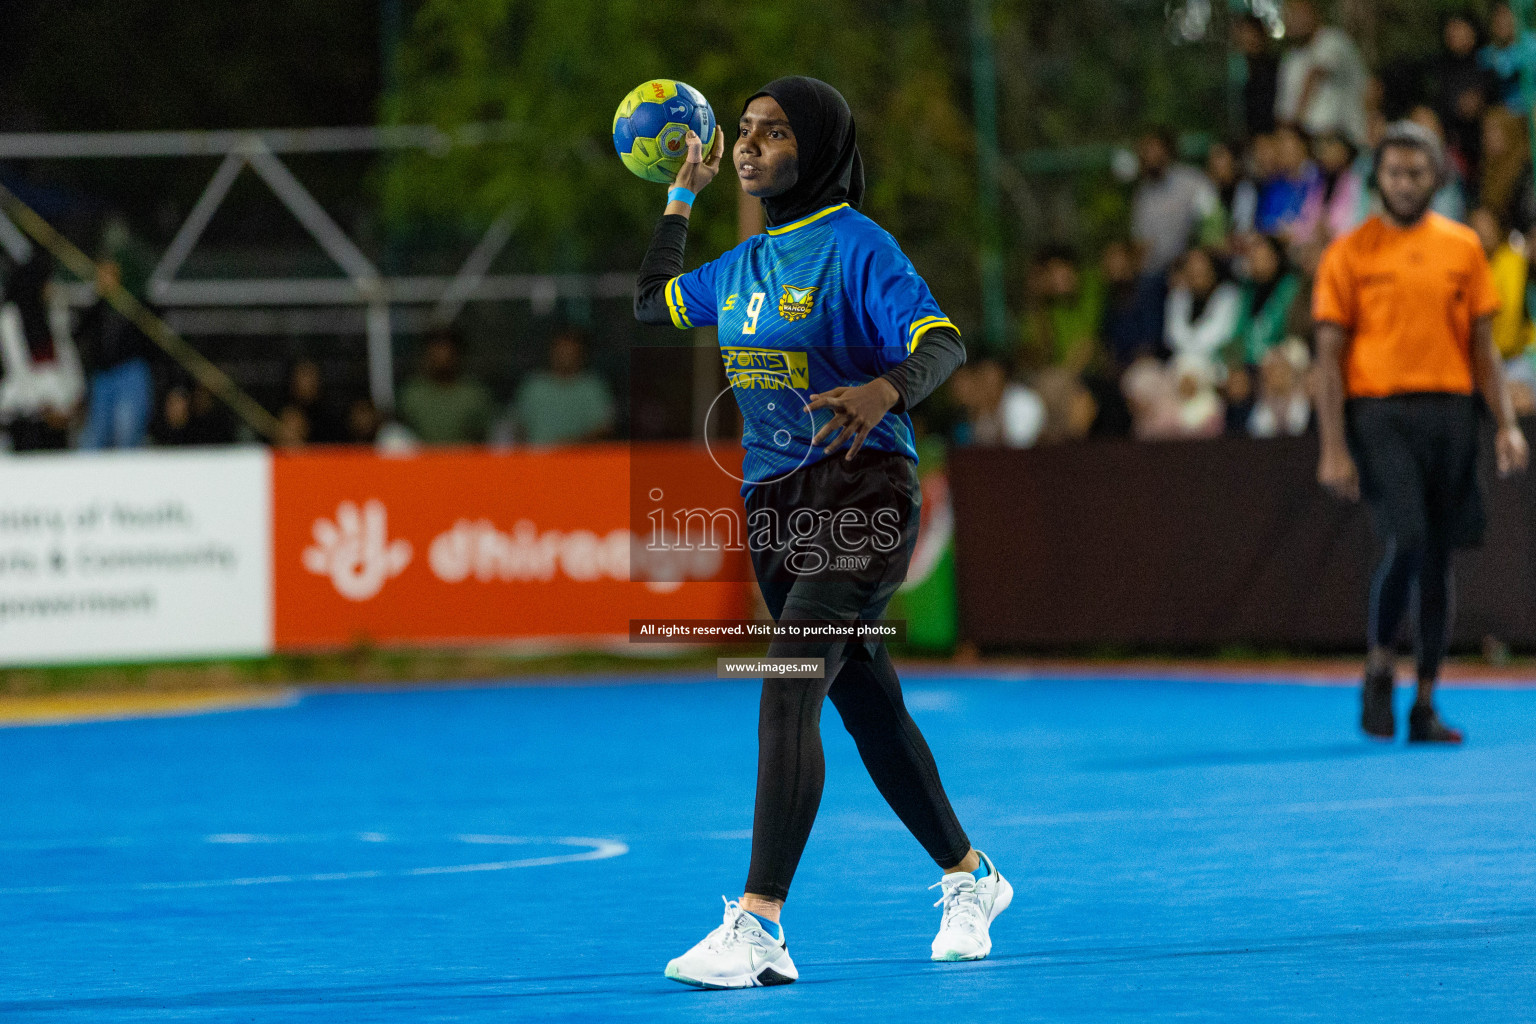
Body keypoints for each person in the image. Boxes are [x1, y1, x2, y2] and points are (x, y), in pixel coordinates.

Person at [633, 76, 1005, 988]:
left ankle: (759, 926)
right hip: (775, 506)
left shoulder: (857, 247)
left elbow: (942, 339)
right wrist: (684, 188)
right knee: (867, 704)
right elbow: (652, 301)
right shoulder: (745, 263)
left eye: (774, 133)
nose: (753, 146)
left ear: (820, 151)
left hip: (864, 491)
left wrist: (886, 388)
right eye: (746, 132)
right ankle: (971, 877)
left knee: (788, 681)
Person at [1313, 121, 1529, 744]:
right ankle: (1381, 662)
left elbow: (1484, 347)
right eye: (1393, 172)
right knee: (1406, 536)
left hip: (1452, 413)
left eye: (1416, 172)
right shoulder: (1349, 253)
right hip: (1380, 412)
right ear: (1376, 179)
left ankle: (1425, 701)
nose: (1405, 183)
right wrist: (1332, 446)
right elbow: (1328, 355)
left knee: (1438, 559)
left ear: (1436, 177)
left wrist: (1506, 426)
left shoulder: (1462, 248)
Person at [0, 252, 82, 451]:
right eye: (47, 282)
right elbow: (17, 369)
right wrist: (44, 409)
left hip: (59, 411)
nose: (50, 288)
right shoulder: (10, 319)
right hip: (26, 414)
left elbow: (67, 356)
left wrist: (74, 397)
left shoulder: (52, 315)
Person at [76, 256, 155, 449]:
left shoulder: (137, 304)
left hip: (129, 373)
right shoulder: (98, 309)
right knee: (95, 437)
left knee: (127, 432)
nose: (104, 279)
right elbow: (80, 333)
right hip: (103, 376)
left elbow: (152, 342)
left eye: (110, 274)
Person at [1275, 0, 1369, 146]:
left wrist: (1295, 125)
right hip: (1306, 142)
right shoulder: (1291, 58)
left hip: (1341, 138)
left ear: (1313, 13)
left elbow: (1315, 75)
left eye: (1298, 13)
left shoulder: (1333, 40)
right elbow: (1284, 107)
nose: (1294, 20)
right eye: (1289, 15)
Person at [1130, 127, 1222, 277]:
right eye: (1145, 151)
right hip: (1155, 272)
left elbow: (1212, 224)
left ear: (1167, 150)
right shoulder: (1143, 195)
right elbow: (1141, 243)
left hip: (1192, 263)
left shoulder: (1192, 181)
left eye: (1154, 149)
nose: (1150, 156)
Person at [506, 328, 614, 444]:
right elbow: (516, 426)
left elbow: (604, 429)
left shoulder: (592, 387)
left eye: (570, 352)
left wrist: (568, 447)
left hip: (580, 458)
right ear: (551, 352)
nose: (565, 356)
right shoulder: (534, 385)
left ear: (581, 354)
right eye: (561, 350)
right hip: (536, 458)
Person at [396, 325, 495, 444]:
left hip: (465, 459)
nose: (442, 356)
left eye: (447, 349)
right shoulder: (411, 394)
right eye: (436, 349)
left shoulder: (475, 394)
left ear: (458, 354)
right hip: (422, 460)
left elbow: (487, 438)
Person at [1469, 207, 1534, 371]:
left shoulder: (1515, 260)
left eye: (1487, 227)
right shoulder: (1466, 268)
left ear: (1498, 229)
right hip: (1481, 359)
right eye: (1476, 227)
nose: (1482, 233)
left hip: (1518, 356)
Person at [1164, 246, 1241, 377]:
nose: (1196, 273)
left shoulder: (1228, 295)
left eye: (1201, 269)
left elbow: (1218, 337)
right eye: (1191, 269)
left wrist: (1192, 361)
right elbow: (1172, 337)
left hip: (1215, 367)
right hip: (1179, 367)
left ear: (1212, 269)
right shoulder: (1178, 296)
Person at [1481, 2, 1536, 113]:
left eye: (1505, 15)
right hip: (1505, 116)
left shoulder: (1532, 43)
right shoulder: (1485, 56)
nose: (1501, 21)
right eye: (1497, 16)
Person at [1234, 13, 1281, 138]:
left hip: (1272, 135)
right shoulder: (1248, 70)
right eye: (1242, 33)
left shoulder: (1273, 67)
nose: (1247, 39)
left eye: (1250, 33)